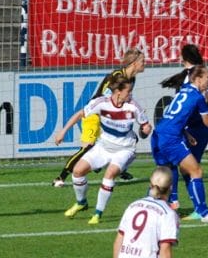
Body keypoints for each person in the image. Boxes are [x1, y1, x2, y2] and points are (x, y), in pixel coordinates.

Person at [54, 76, 152, 224]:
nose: (130, 95)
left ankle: (98, 213)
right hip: (103, 146)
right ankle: (81, 202)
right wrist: (63, 132)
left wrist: (145, 130)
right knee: (78, 171)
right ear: (118, 92)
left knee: (109, 174)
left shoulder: (133, 106)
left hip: (125, 149)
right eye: (128, 91)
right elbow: (80, 114)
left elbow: (145, 126)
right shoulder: (101, 103)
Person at [158, 44, 208, 216]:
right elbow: (206, 102)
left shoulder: (191, 78)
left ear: (183, 59)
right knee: (187, 168)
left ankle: (181, 205)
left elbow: (205, 99)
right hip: (189, 129)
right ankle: (190, 207)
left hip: (183, 129)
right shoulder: (195, 77)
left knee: (182, 167)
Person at [53, 49, 145, 187]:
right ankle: (61, 177)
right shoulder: (116, 76)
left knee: (129, 139)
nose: (145, 64)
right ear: (133, 63)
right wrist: (63, 131)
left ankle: (119, 169)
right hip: (95, 114)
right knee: (88, 147)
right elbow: (104, 100)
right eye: (142, 61)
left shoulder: (132, 78)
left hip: (109, 116)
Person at [151, 65, 208, 223]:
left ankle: (150, 209)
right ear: (198, 79)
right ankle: (204, 213)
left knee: (162, 176)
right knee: (196, 171)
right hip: (171, 138)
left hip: (158, 134)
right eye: (207, 78)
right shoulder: (198, 97)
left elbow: (175, 116)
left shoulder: (183, 89)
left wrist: (186, 133)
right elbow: (207, 123)